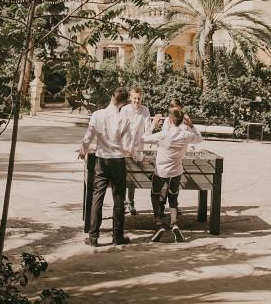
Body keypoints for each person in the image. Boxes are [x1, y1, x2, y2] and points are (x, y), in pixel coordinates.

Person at [79, 87, 133, 247]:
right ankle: (117, 236)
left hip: (101, 159)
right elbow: (128, 145)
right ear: (123, 103)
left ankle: (94, 236)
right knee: (118, 198)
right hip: (117, 161)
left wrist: (83, 150)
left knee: (98, 197)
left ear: (111, 96)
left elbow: (88, 137)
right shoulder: (124, 119)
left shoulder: (97, 115)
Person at [142, 109, 203, 243]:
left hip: (161, 171)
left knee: (155, 194)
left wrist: (153, 124)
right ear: (182, 121)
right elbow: (199, 138)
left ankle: (159, 224)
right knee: (173, 197)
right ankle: (174, 223)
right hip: (176, 171)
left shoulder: (163, 134)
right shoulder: (186, 135)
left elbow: (144, 138)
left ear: (169, 120)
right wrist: (191, 125)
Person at [120, 86, 152, 215]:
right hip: (125, 146)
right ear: (130, 97)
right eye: (134, 98)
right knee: (123, 174)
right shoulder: (124, 110)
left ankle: (131, 202)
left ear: (141, 98)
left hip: (138, 145)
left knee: (133, 174)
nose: (136, 101)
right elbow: (120, 127)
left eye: (139, 98)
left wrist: (148, 140)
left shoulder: (145, 110)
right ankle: (122, 203)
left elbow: (148, 127)